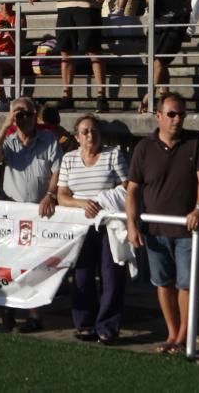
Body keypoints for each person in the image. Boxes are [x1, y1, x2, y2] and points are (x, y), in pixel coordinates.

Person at [126, 92, 199, 354]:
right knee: (162, 282)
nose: (177, 119)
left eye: (182, 114)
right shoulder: (144, 147)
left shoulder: (196, 141)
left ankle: (184, 336)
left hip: (187, 230)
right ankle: (172, 333)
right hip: (154, 229)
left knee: (186, 284)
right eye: (172, 114)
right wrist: (132, 225)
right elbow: (132, 190)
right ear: (159, 116)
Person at [0, 96, 61, 332]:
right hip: (13, 211)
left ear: (35, 114)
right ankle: (7, 311)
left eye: (27, 113)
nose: (23, 119)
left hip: (39, 211)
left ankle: (34, 316)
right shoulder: (8, 141)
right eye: (19, 114)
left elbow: (58, 172)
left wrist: (50, 194)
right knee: (9, 265)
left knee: (35, 267)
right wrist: (6, 125)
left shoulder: (49, 140)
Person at [57, 114, 128, 344]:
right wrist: (83, 204)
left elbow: (127, 186)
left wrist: (103, 201)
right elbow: (62, 196)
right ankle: (85, 323)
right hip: (80, 226)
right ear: (77, 137)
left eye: (94, 130)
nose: (91, 135)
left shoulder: (114, 155)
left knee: (111, 275)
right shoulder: (68, 159)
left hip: (109, 224)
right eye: (85, 131)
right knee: (82, 275)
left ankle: (108, 326)